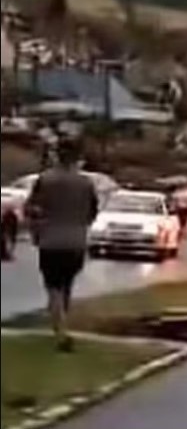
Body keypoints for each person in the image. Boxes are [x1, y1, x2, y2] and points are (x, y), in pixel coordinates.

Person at [25, 140, 99, 351]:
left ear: (57, 156)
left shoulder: (45, 180)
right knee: (66, 284)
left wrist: (36, 229)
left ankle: (61, 334)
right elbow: (92, 212)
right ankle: (60, 323)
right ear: (77, 158)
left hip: (51, 241)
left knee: (54, 287)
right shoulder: (86, 183)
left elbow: (31, 208)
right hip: (76, 242)